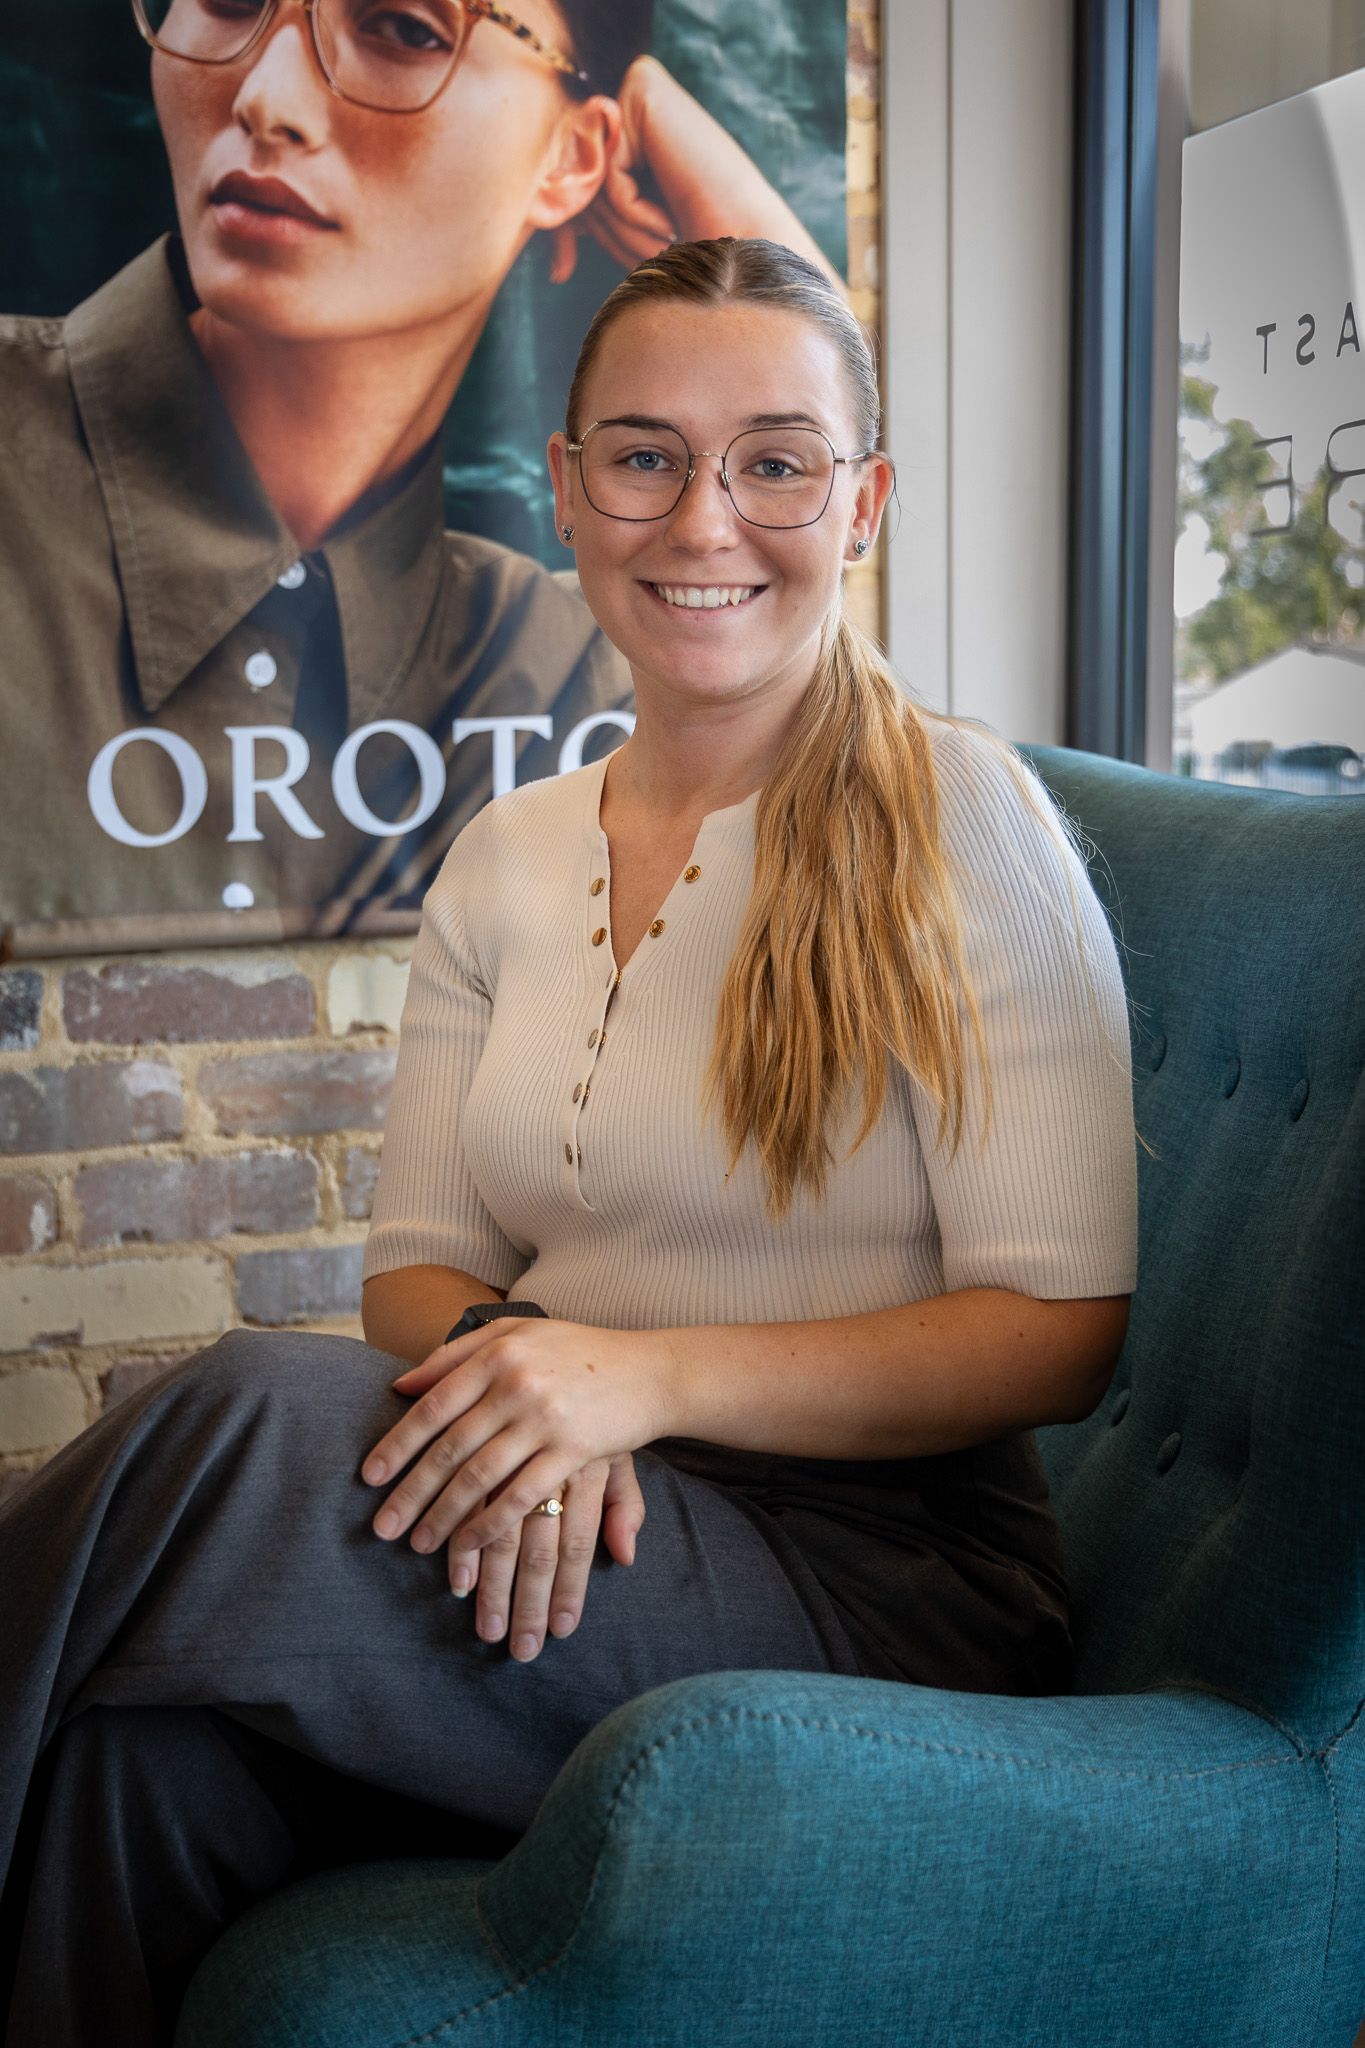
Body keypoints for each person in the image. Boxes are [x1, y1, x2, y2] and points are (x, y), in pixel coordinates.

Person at [0, 237, 1138, 2046]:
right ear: (568, 489)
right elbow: (416, 1265)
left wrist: (628, 1380)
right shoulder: (508, 853)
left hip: (888, 1592)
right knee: (145, 1763)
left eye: (775, 459)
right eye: (644, 455)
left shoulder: (959, 814)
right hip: (599, 1524)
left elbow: (1056, 1334)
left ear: (864, 503)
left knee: (238, 1417)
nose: (705, 516)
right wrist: (524, 1396)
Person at [0, 0, 840, 956]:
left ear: (574, 156)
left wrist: (755, 267)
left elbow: (816, 648)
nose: (265, 102)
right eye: (230, 0)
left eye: (401, 30)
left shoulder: (563, 665)